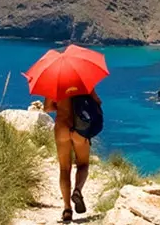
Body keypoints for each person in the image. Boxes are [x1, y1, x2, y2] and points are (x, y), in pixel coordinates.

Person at [44, 90, 102, 223]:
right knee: (83, 164)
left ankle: (67, 209)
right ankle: (77, 190)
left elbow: (47, 108)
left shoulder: (54, 85)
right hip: (80, 128)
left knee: (64, 169)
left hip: (62, 128)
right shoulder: (83, 83)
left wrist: (59, 106)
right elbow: (97, 101)